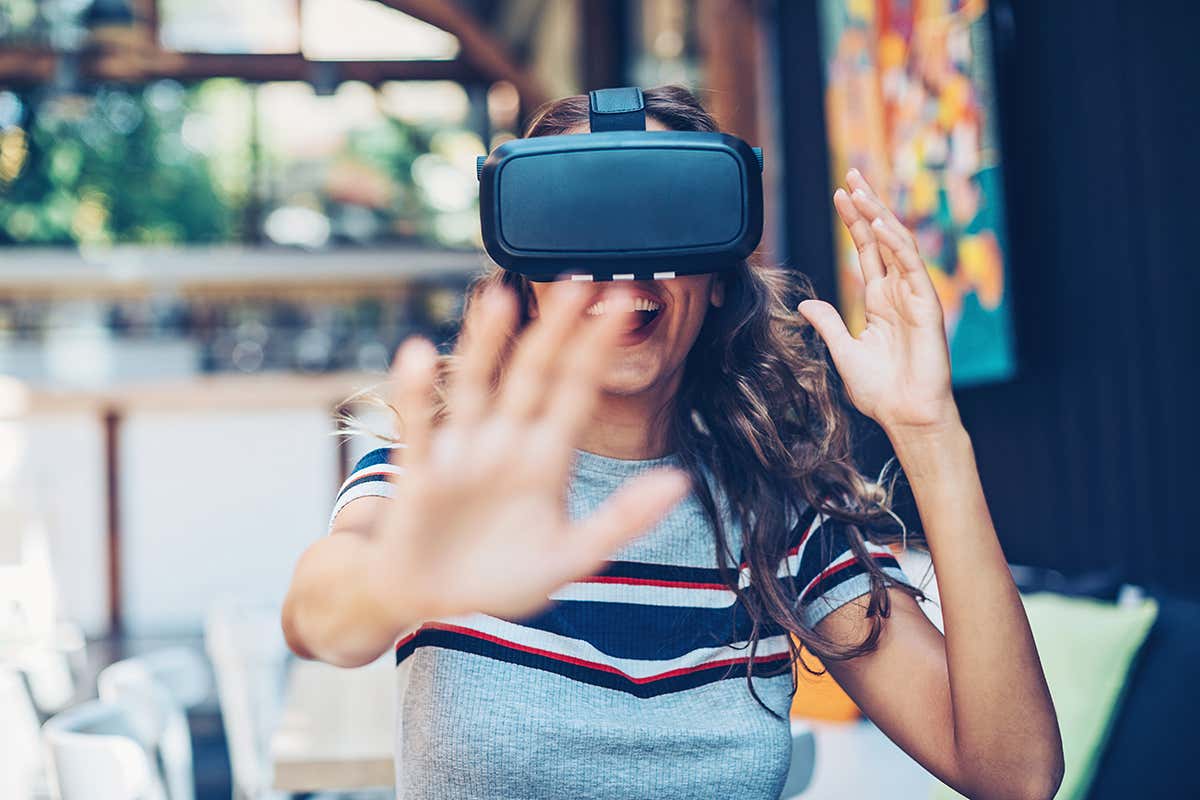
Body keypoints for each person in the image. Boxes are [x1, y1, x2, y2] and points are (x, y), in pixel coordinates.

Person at [281, 86, 1063, 800]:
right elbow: (321, 621)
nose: (628, 273)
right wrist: (404, 579)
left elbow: (1015, 775)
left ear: (719, 277)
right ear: (527, 277)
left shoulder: (780, 517)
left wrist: (930, 431)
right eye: (579, 227)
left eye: (667, 220)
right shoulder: (450, 480)